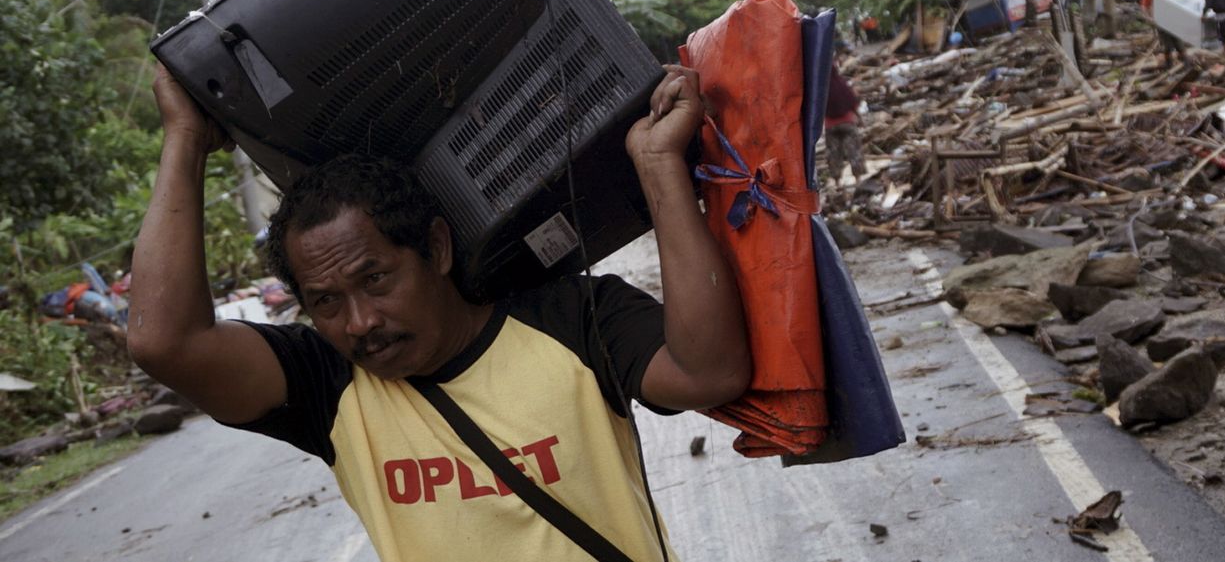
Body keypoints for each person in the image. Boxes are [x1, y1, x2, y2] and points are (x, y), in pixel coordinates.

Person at [128, 63, 750, 562]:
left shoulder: (573, 317)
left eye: (375, 279)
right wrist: (184, 138)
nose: (360, 322)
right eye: (325, 303)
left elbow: (707, 373)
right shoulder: (328, 384)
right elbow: (164, 341)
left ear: (437, 248)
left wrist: (658, 165)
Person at [823, 62, 867, 188]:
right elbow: (852, 102)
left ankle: (837, 182)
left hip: (830, 126)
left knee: (834, 154)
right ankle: (858, 179)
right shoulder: (842, 84)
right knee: (854, 151)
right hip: (847, 123)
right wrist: (860, 119)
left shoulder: (821, 88)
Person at [1139, 0, 1186, 67]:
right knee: (1167, 45)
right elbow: (1144, 5)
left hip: (1174, 18)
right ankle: (1169, 64)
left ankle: (1185, 62)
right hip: (1160, 20)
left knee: (1179, 43)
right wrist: (1149, 18)